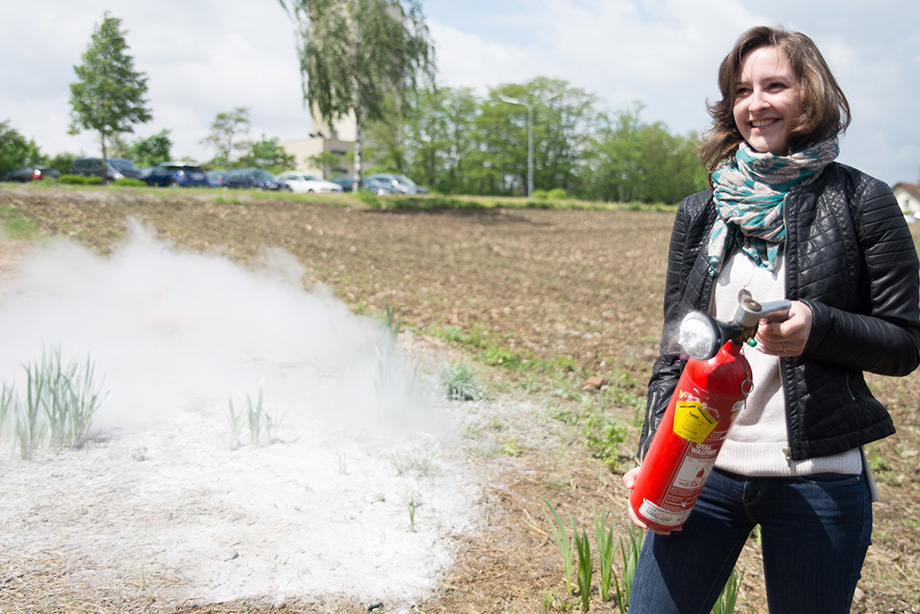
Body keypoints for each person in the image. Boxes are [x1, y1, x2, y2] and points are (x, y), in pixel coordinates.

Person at [622, 25, 920, 614]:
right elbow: (675, 353)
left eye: (774, 85)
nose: (755, 104)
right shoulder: (702, 210)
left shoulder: (862, 200)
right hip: (700, 470)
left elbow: (906, 342)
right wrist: (651, 454)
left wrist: (819, 328)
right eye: (741, 90)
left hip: (819, 480)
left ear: (810, 93)